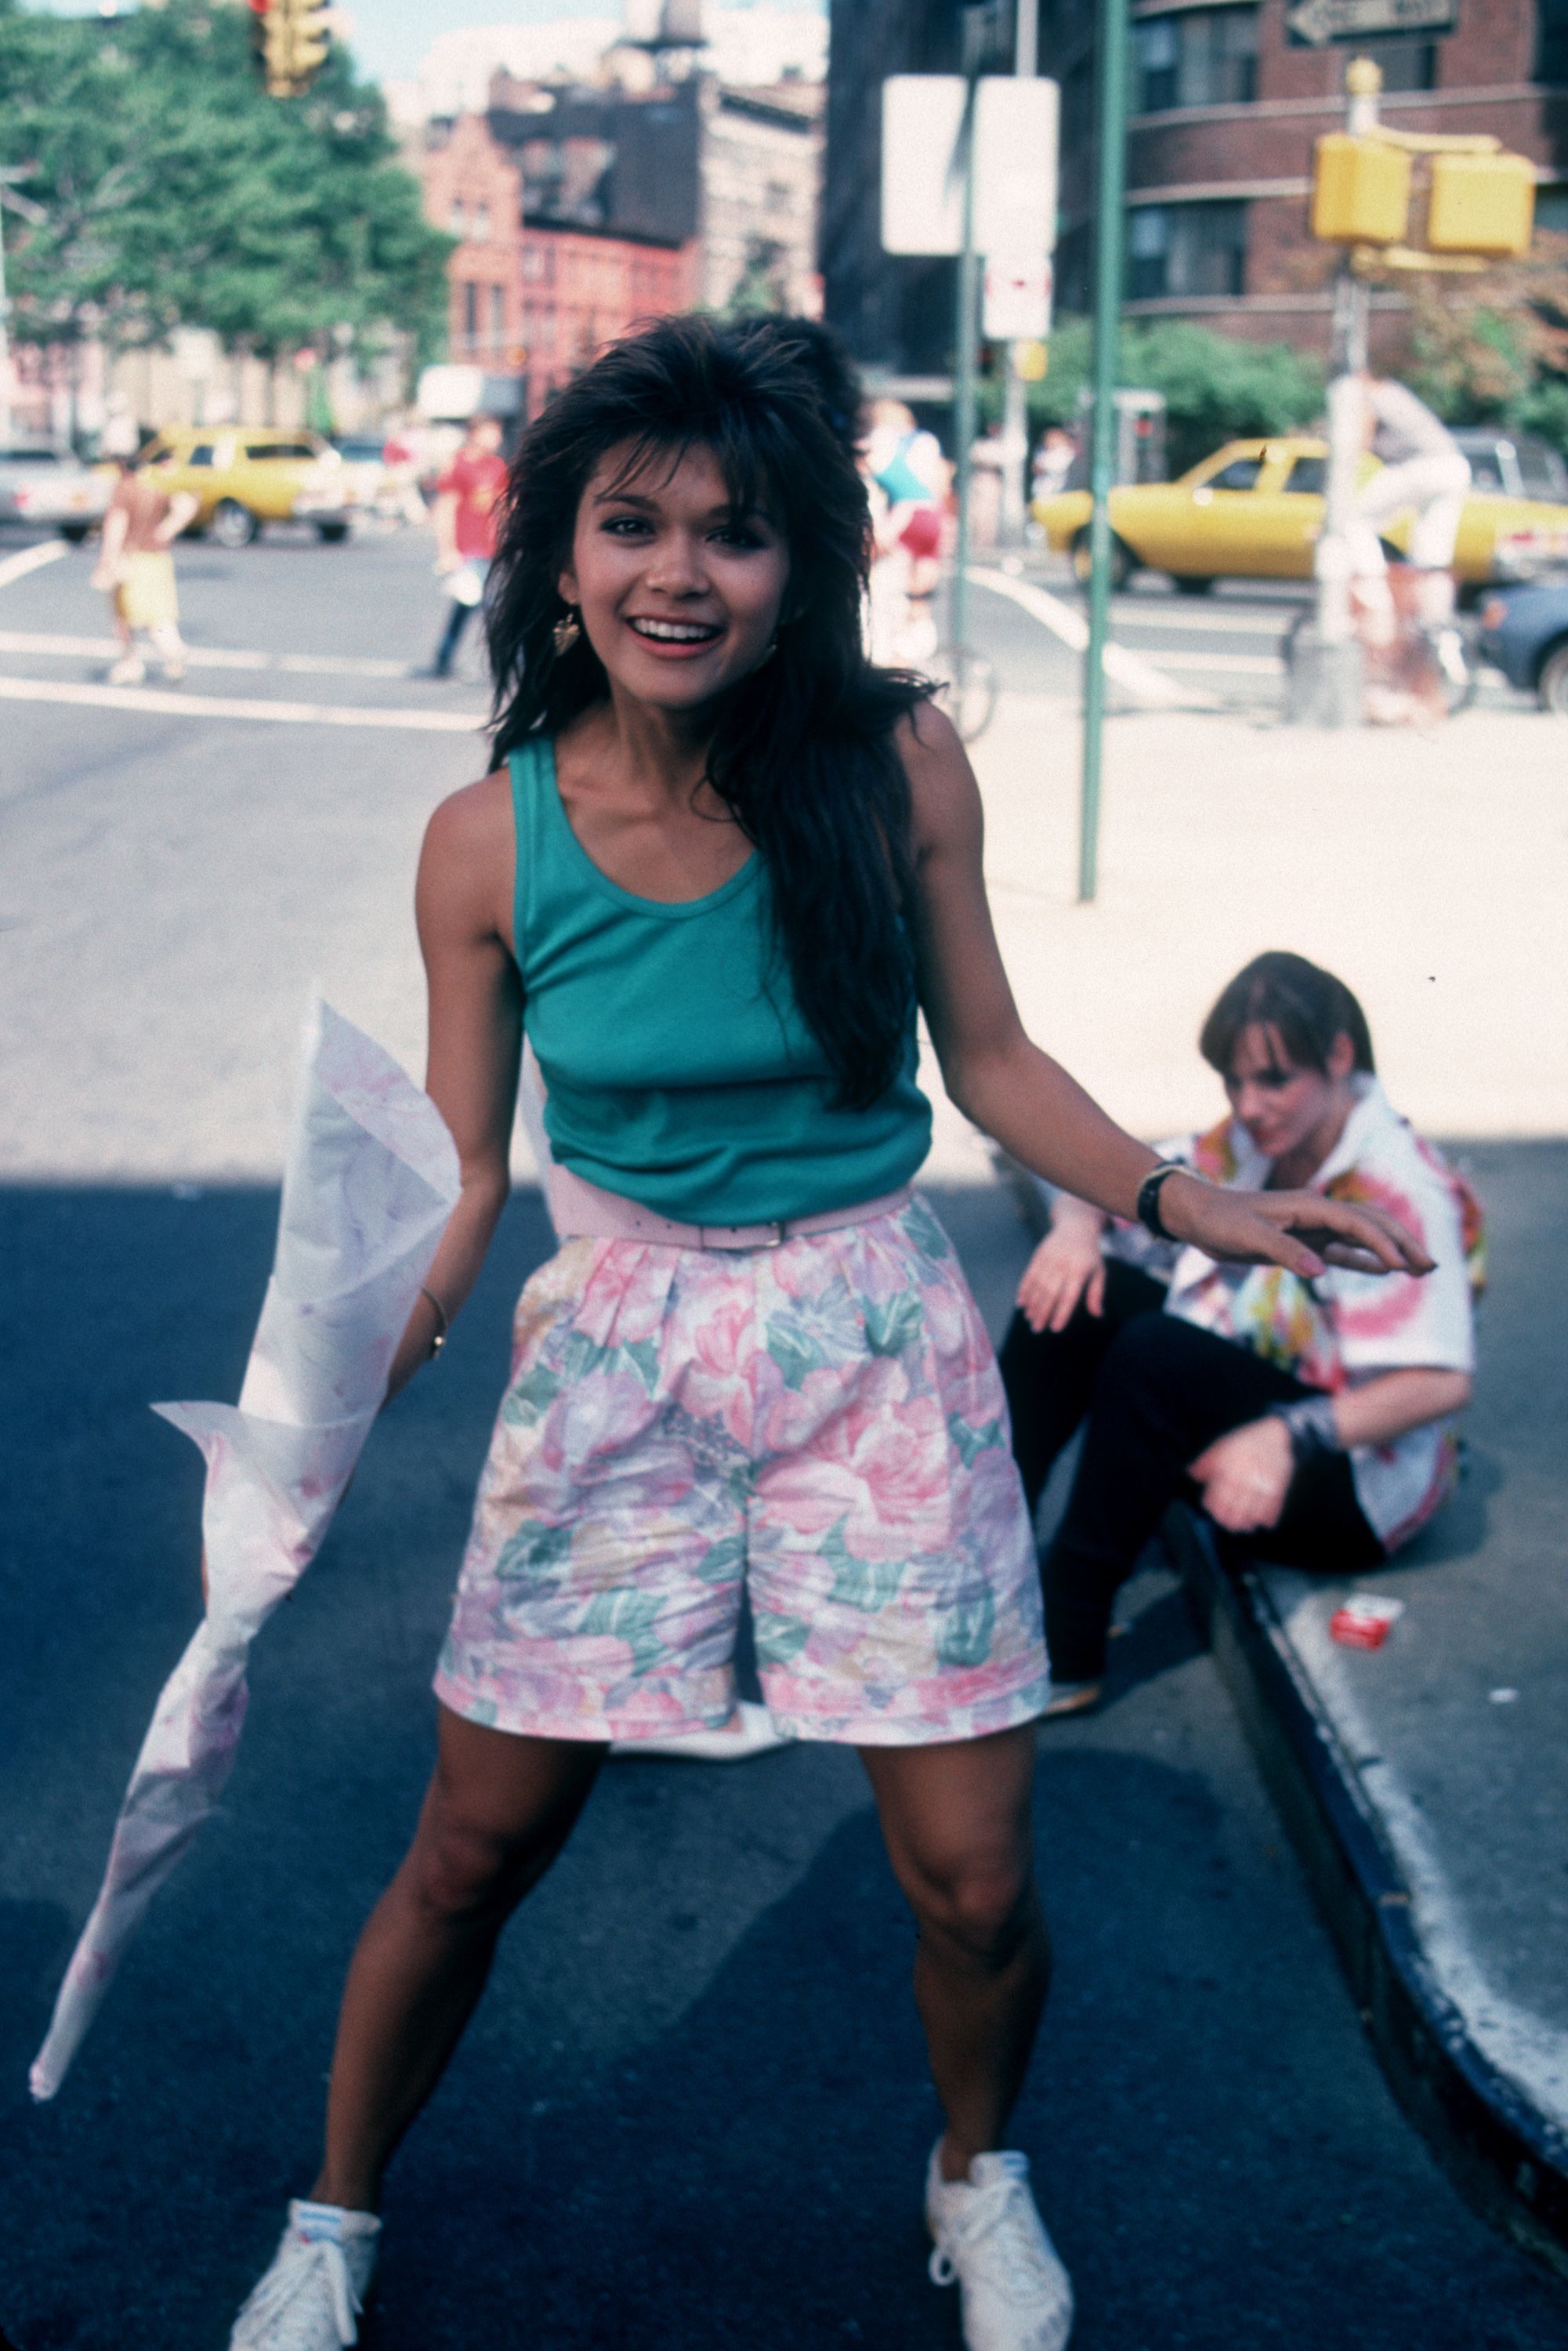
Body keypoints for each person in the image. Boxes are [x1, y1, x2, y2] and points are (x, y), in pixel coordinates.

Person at [224, 323, 1424, 2351]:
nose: (680, 571)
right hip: (619, 1352)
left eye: (736, 533)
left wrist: (1187, 1199)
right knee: (473, 1844)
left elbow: (995, 1059)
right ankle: (331, 2220)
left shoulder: (892, 773)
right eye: (632, 525)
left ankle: (977, 2178)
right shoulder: (484, 842)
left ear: (809, 570)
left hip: (871, 1341)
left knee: (970, 1879)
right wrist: (335, 1382)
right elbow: (462, 1173)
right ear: (562, 555)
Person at [998, 953, 1479, 1719]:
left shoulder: (1398, 1184)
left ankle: (1068, 1640)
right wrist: (1074, 1226)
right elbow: (1138, 1182)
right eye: (1234, 1082)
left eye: (1273, 1079)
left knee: (1154, 1352)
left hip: (1347, 1478)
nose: (1249, 1105)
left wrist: (1286, 1436)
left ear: (1340, 1056)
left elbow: (1441, 1382)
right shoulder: (1252, 1142)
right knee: (1076, 1295)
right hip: (1258, 1406)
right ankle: (987, 1557)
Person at [1353, 376, 1472, 630]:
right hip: (1455, 466)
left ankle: (1377, 602)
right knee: (1430, 558)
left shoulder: (1369, 395)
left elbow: (1360, 441)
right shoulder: (1395, 391)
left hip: (1423, 466)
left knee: (1355, 520)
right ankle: (1439, 633)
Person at [90, 457, 200, 686]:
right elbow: (188, 505)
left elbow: (116, 525)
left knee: (123, 615)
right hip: (158, 559)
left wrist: (107, 560)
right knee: (158, 614)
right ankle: (174, 654)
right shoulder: (158, 485)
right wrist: (166, 530)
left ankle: (131, 662)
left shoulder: (124, 488)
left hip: (131, 559)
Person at [429, 412, 509, 678]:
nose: (497, 438)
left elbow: (504, 507)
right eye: (491, 431)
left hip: (492, 549)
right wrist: (447, 550)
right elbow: (446, 508)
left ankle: (444, 656)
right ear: (475, 433)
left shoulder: (497, 466)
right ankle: (505, 664)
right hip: (468, 550)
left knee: (477, 606)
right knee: (486, 607)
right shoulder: (459, 465)